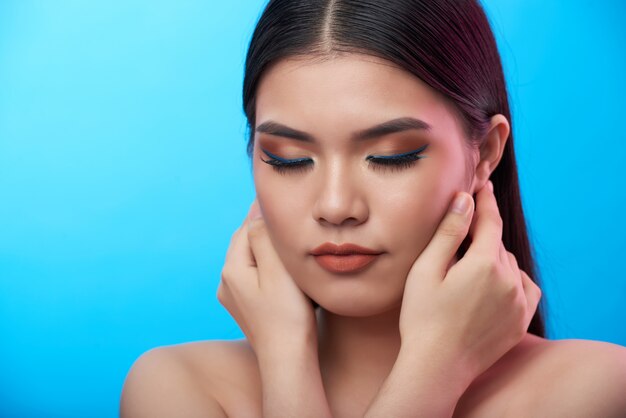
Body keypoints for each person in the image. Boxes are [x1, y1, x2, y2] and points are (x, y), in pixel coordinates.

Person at [120, 0, 626, 416]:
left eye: (391, 156)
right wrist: (285, 360)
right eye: (289, 159)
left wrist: (433, 366)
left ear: (485, 154)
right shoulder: (177, 390)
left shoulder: (593, 391)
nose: (336, 206)